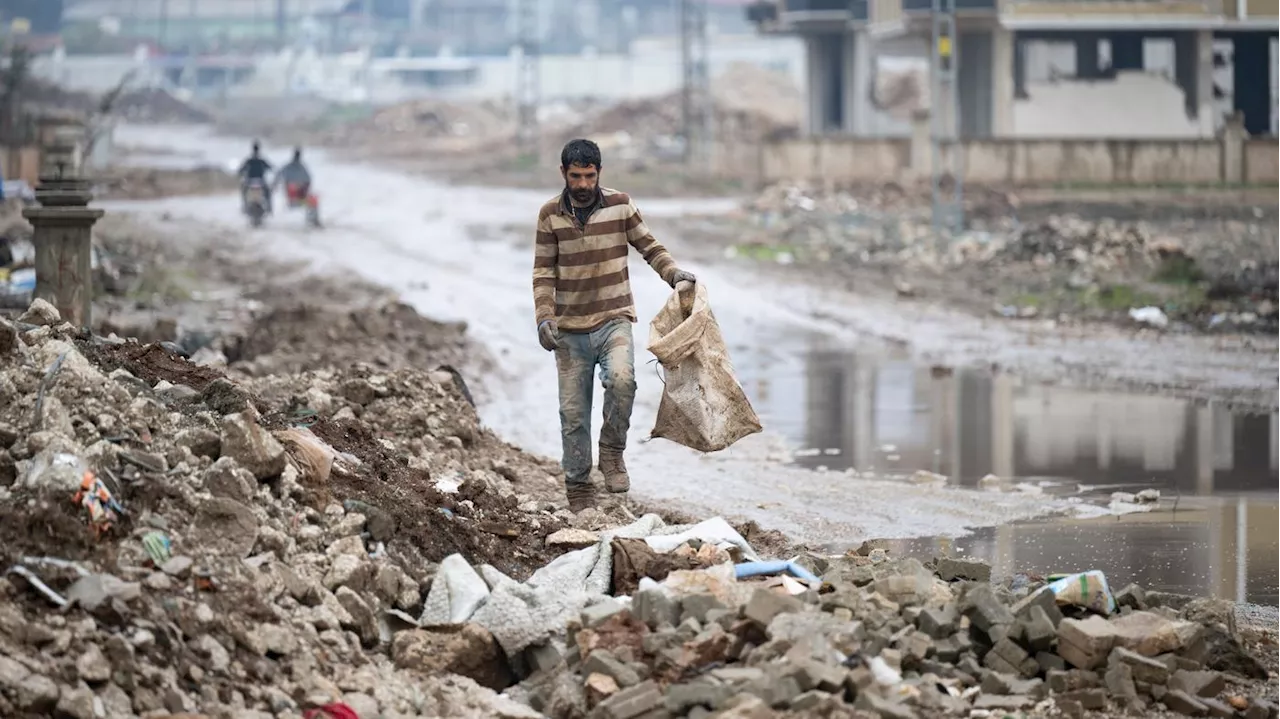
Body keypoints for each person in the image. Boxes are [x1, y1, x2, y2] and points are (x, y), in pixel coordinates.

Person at [532, 138, 696, 511]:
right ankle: (578, 489)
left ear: (599, 173)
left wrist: (674, 276)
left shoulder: (621, 206)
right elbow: (542, 272)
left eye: (590, 176)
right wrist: (544, 317)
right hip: (569, 330)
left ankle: (611, 451)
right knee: (572, 415)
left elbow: (650, 247)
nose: (584, 184)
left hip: (614, 320)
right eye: (576, 177)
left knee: (623, 381)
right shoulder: (549, 215)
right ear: (564, 174)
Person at [237, 141, 273, 213]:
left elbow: (241, 170)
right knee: (268, 193)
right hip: (261, 181)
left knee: (244, 192)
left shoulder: (249, 160)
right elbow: (270, 168)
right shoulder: (262, 160)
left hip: (249, 181)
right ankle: (269, 208)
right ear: (259, 149)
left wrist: (241, 174)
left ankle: (244, 206)